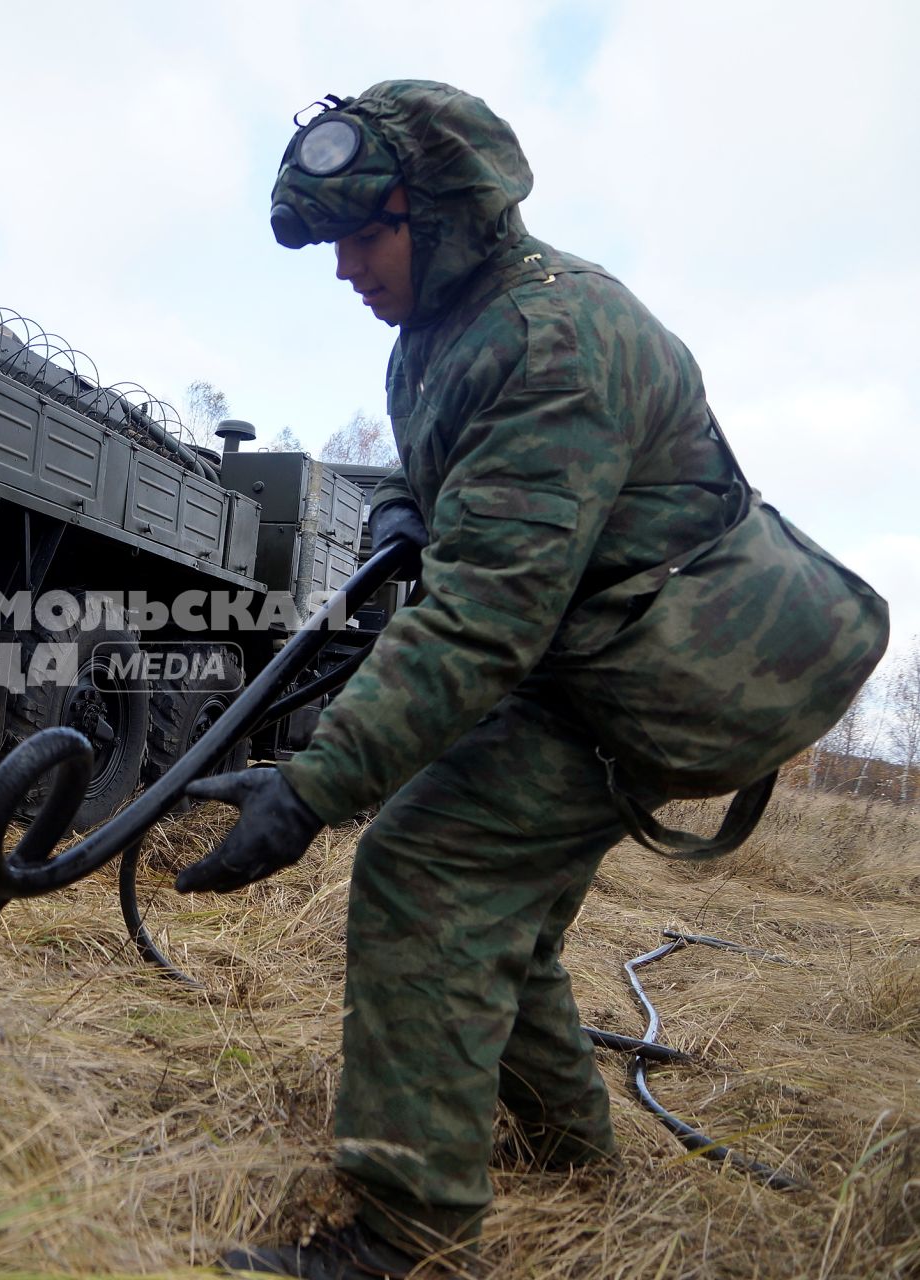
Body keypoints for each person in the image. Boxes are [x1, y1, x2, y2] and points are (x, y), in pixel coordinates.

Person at [175, 80, 889, 1279]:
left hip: (673, 670)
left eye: (365, 234)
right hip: (590, 648)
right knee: (499, 912)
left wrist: (311, 791)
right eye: (332, 242)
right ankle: (569, 1158)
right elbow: (436, 480)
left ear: (441, 212)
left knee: (424, 864)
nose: (346, 266)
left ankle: (409, 1238)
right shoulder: (439, 335)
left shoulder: (555, 340)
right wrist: (398, 508)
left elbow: (482, 619)